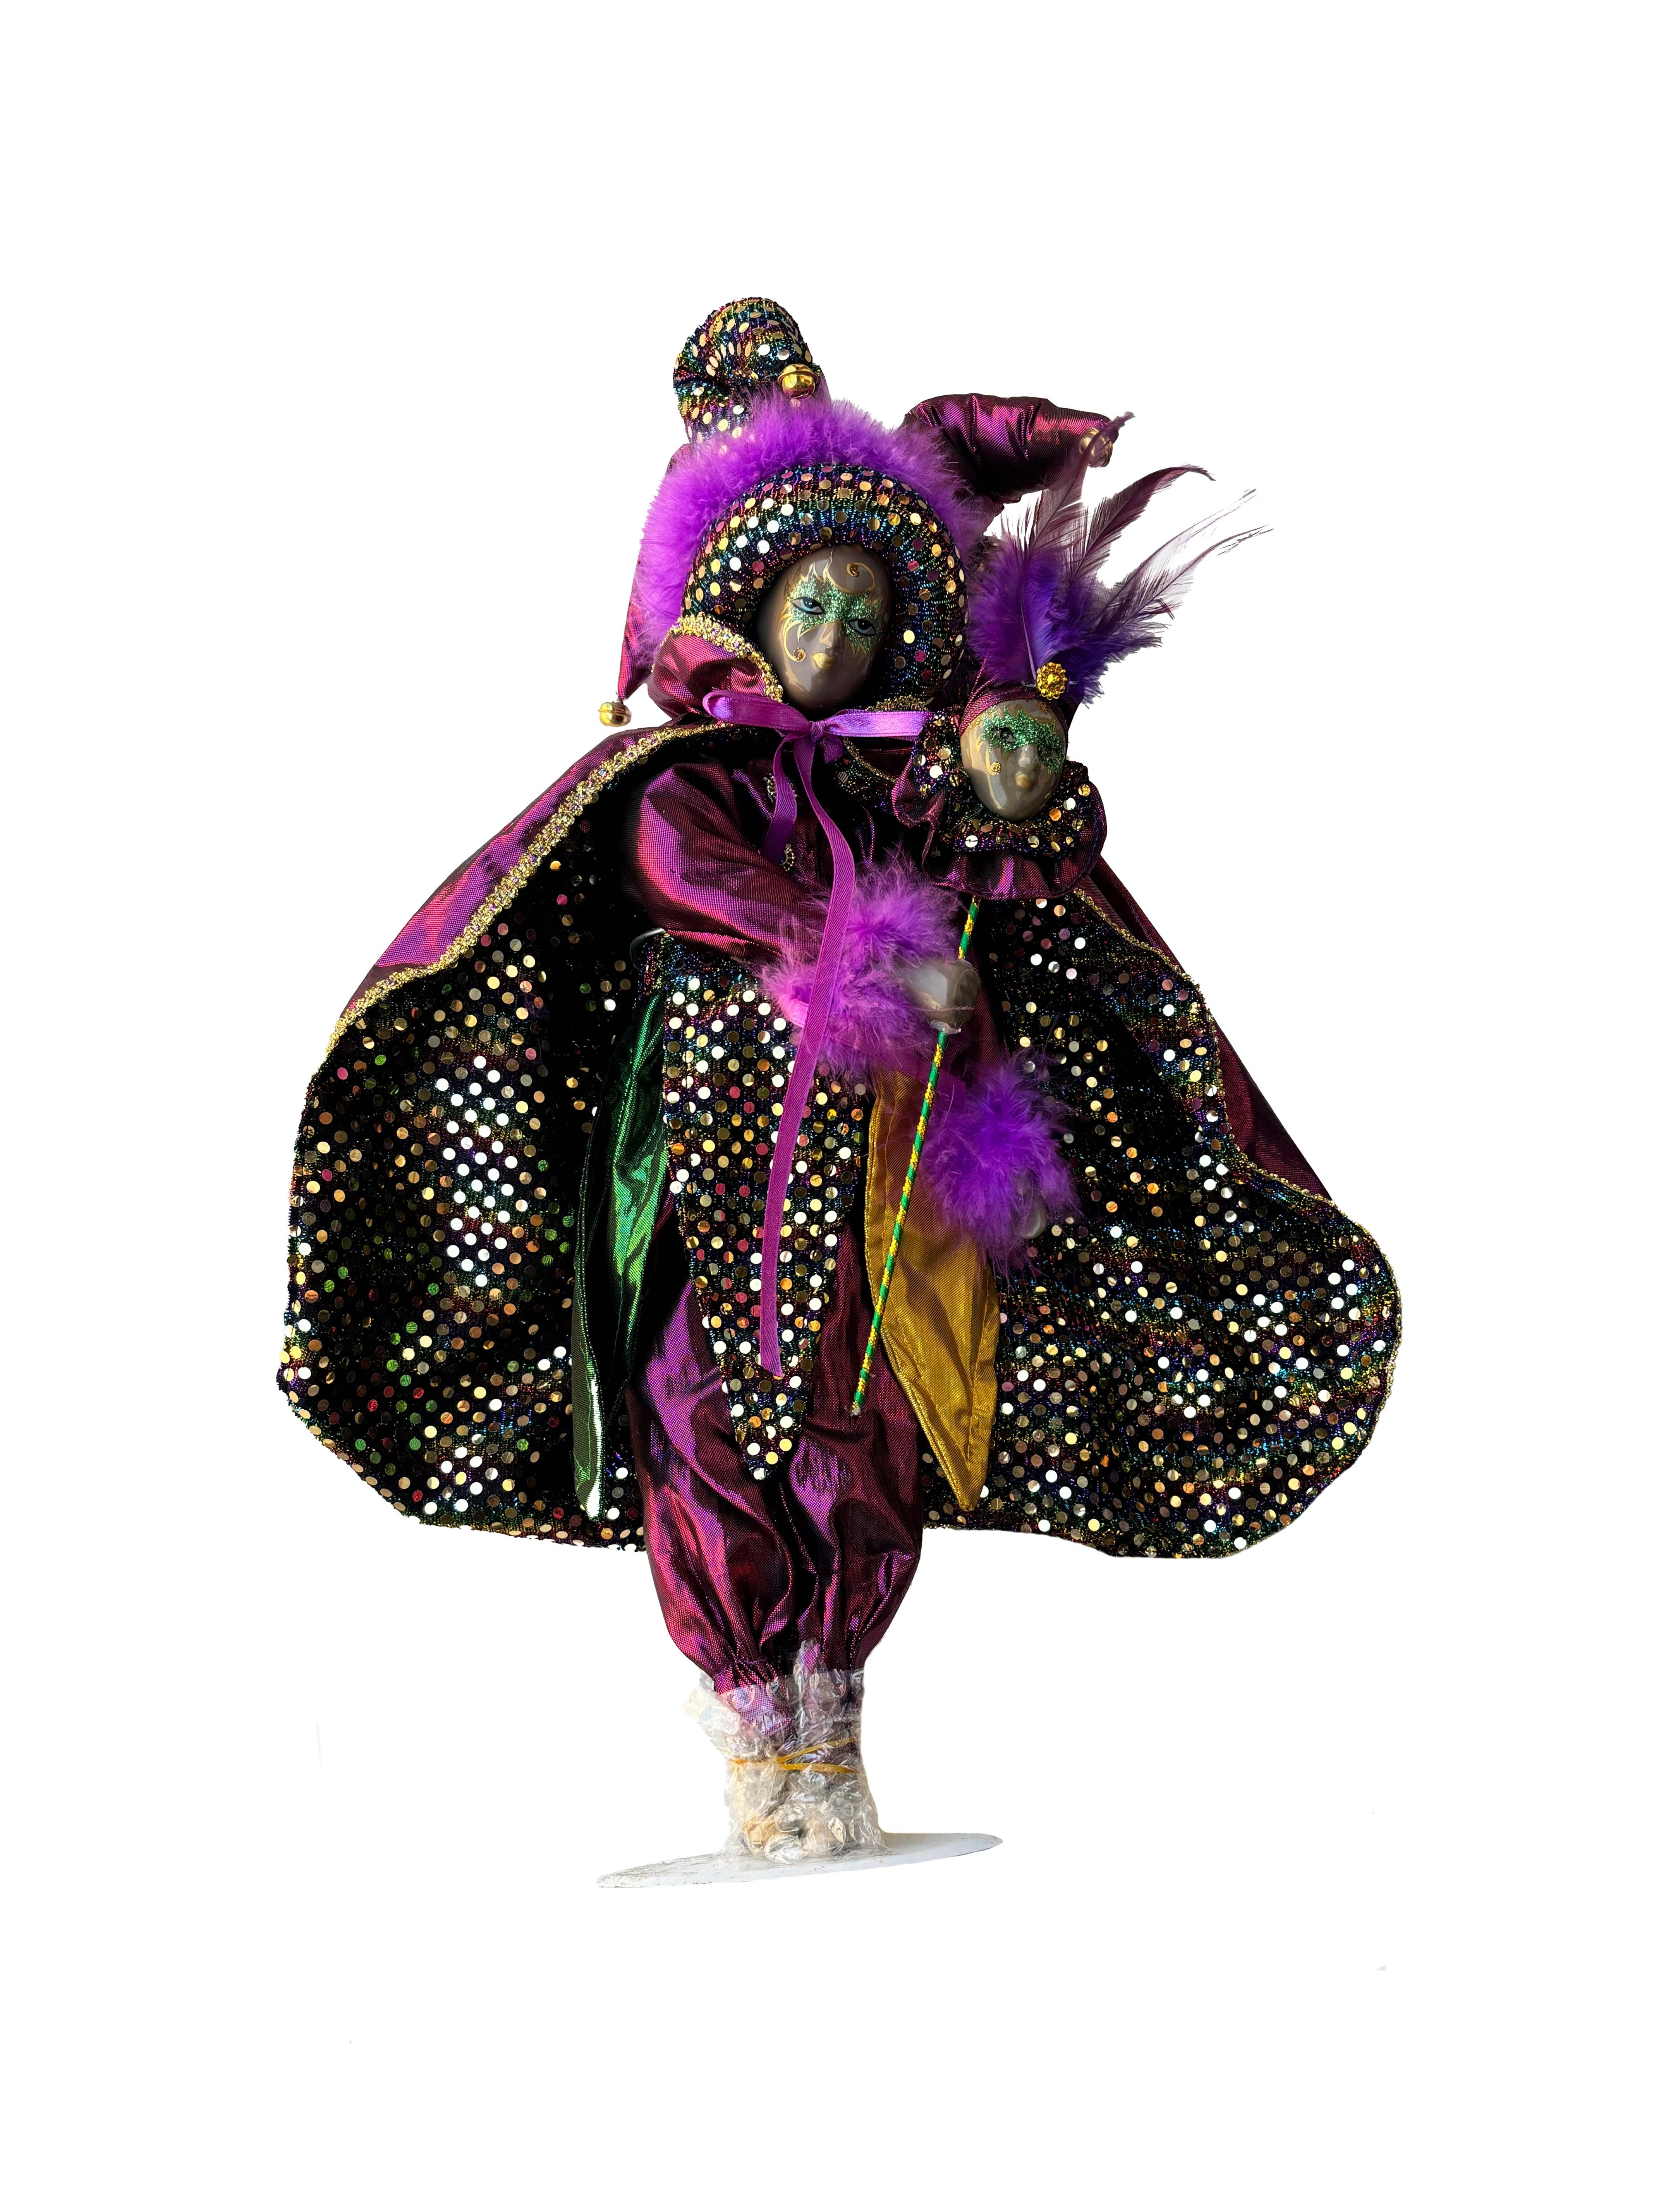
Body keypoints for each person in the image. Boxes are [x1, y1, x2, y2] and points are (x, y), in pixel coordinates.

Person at [280, 298, 1399, 1865]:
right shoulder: (675, 780)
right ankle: (756, 1735)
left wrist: (1007, 791)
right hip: (706, 1168)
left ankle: (833, 1720)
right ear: (753, 604)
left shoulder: (897, 785)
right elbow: (701, 880)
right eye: (812, 601)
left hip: (872, 1176)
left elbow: (1001, 868)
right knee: (704, 1408)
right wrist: (872, 955)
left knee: (863, 1414)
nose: (834, 636)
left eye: (865, 617)